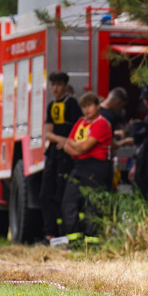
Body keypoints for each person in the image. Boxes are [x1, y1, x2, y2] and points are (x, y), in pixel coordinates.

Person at [58, 91, 113, 245]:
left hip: (96, 166)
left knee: (92, 204)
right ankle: (75, 239)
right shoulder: (81, 122)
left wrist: (74, 146)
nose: (86, 110)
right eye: (83, 106)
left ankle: (93, 241)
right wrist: (75, 146)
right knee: (69, 200)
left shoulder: (101, 123)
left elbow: (83, 146)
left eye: (89, 105)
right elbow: (68, 147)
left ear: (97, 106)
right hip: (79, 165)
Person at [40, 72, 83, 243]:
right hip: (53, 154)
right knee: (45, 195)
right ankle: (49, 232)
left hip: (66, 156)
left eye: (58, 85)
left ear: (65, 86)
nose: (55, 88)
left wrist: (67, 143)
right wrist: (60, 140)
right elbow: (48, 133)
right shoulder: (51, 106)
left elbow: (79, 127)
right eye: (53, 85)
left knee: (61, 194)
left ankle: (61, 233)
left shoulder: (71, 104)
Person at [129, 83, 148, 205]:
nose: (146, 102)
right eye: (144, 99)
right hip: (146, 161)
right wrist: (136, 164)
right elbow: (143, 142)